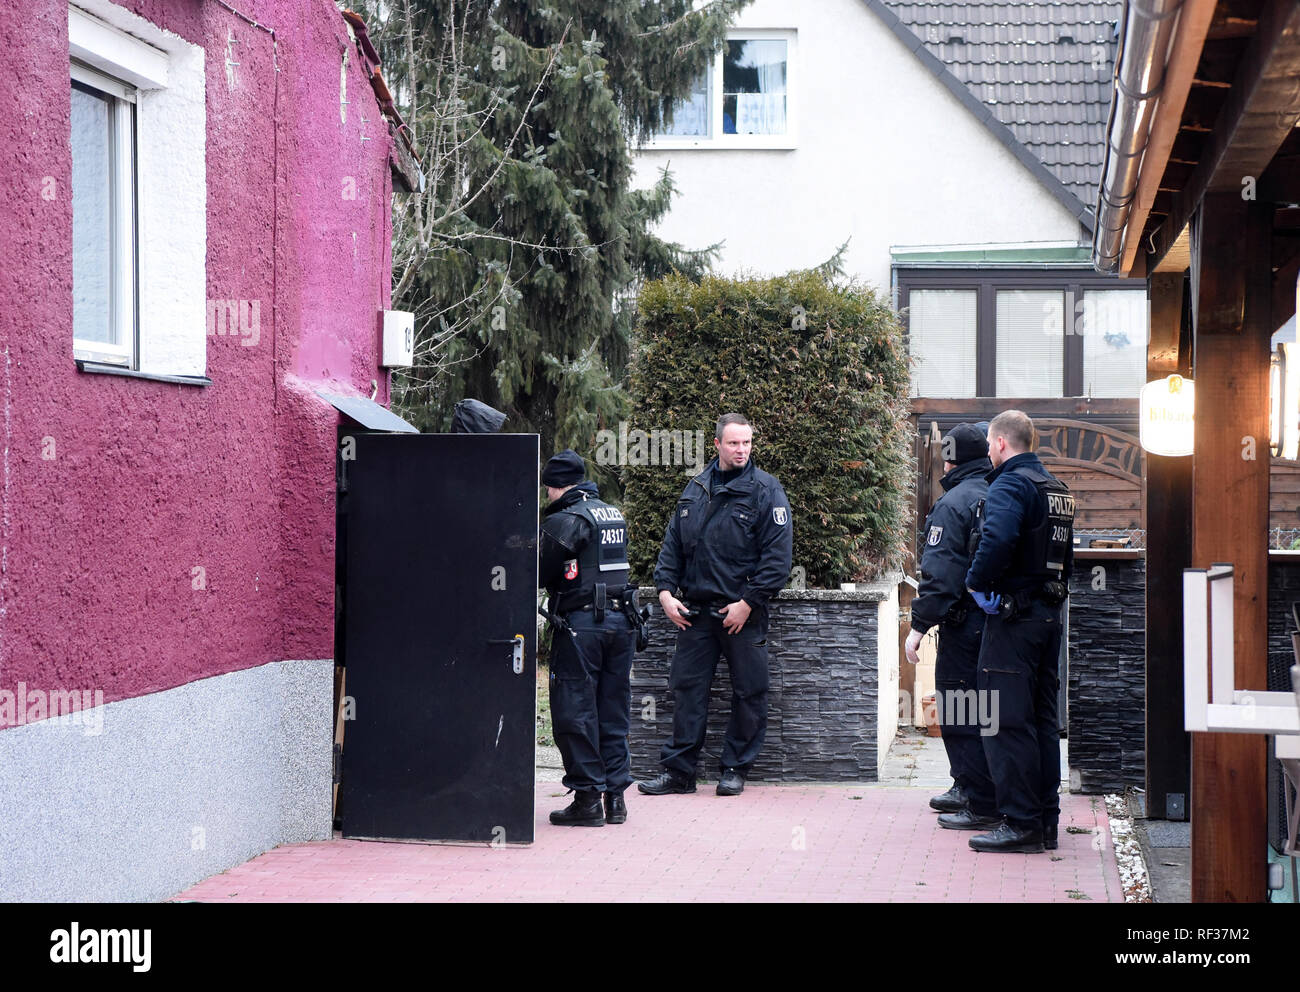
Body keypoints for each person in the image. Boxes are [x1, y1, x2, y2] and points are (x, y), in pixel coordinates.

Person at [638, 413, 793, 798]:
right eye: (734, 443)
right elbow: (672, 547)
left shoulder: (766, 491)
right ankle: (679, 774)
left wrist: (748, 603)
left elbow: (777, 560)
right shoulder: (696, 489)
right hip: (695, 614)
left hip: (742, 615)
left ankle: (735, 769)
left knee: (750, 692)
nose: (741, 450)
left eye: (747, 443)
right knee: (687, 690)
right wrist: (665, 593)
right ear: (718, 445)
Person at [963, 410, 1075, 853]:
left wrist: (976, 583)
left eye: (990, 444)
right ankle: (1045, 820)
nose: (989, 451)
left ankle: (1020, 823)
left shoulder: (1010, 483)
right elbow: (1065, 560)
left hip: (1013, 618)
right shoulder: (1057, 489)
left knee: (1004, 720)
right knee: (1043, 720)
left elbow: (997, 541)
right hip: (1048, 617)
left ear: (1001, 443)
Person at [905, 424, 1000, 832]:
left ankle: (977, 799)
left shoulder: (954, 502)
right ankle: (971, 786)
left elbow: (940, 574)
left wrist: (919, 624)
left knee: (960, 708)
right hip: (999, 624)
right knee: (988, 712)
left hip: (963, 625)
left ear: (950, 459)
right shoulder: (1001, 493)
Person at [538, 449, 637, 827]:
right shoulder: (610, 512)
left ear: (554, 486)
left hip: (583, 627)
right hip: (621, 623)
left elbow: (537, 567)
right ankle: (616, 800)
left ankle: (587, 800)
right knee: (613, 711)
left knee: (576, 710)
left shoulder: (568, 519)